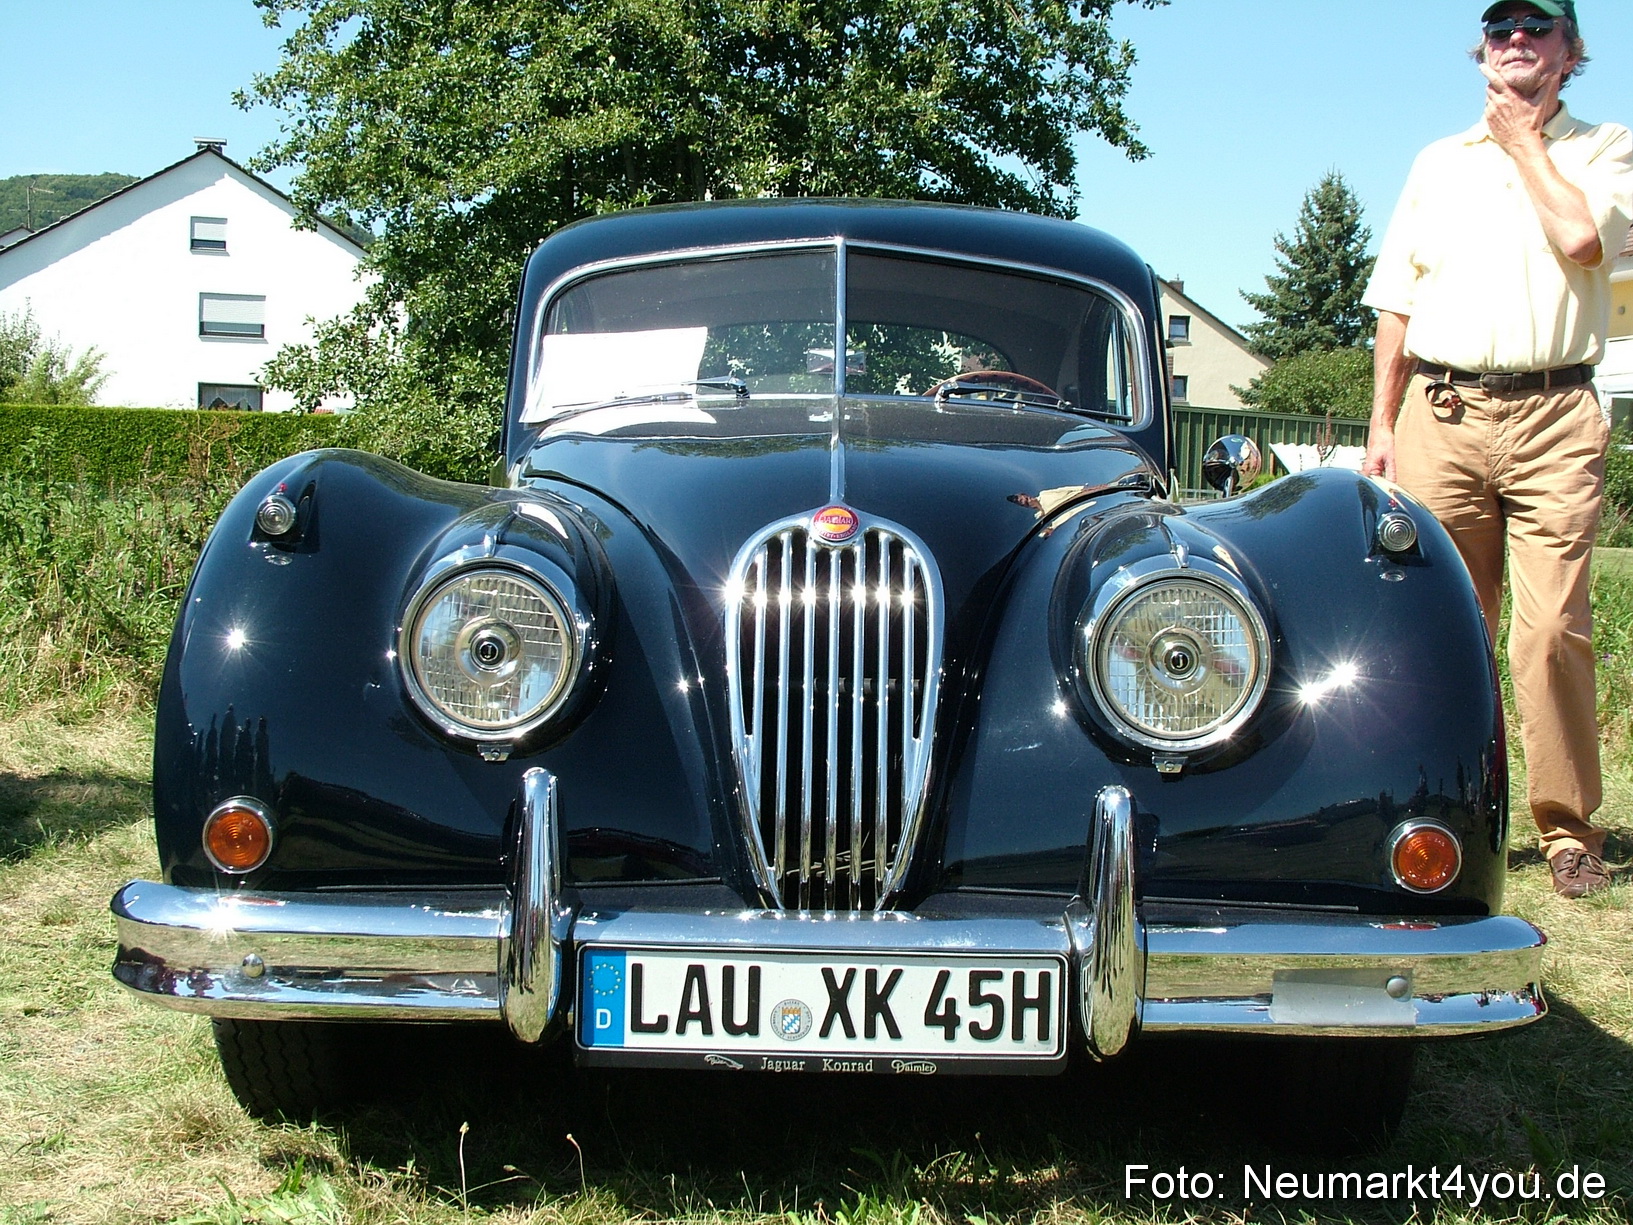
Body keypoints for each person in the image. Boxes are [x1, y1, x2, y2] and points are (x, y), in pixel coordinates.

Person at [1362, 0, 1633, 897]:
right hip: (1439, 411)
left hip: (1555, 413)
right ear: (1479, 50)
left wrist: (1524, 142)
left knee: (1549, 626)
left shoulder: (1603, 149)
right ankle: (1433, 808)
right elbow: (1395, 298)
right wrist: (1379, 423)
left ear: (1570, 51)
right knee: (1441, 623)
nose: (1516, 39)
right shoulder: (1436, 163)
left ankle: (1564, 830)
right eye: (1501, 27)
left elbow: (1582, 237)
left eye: (1537, 28)